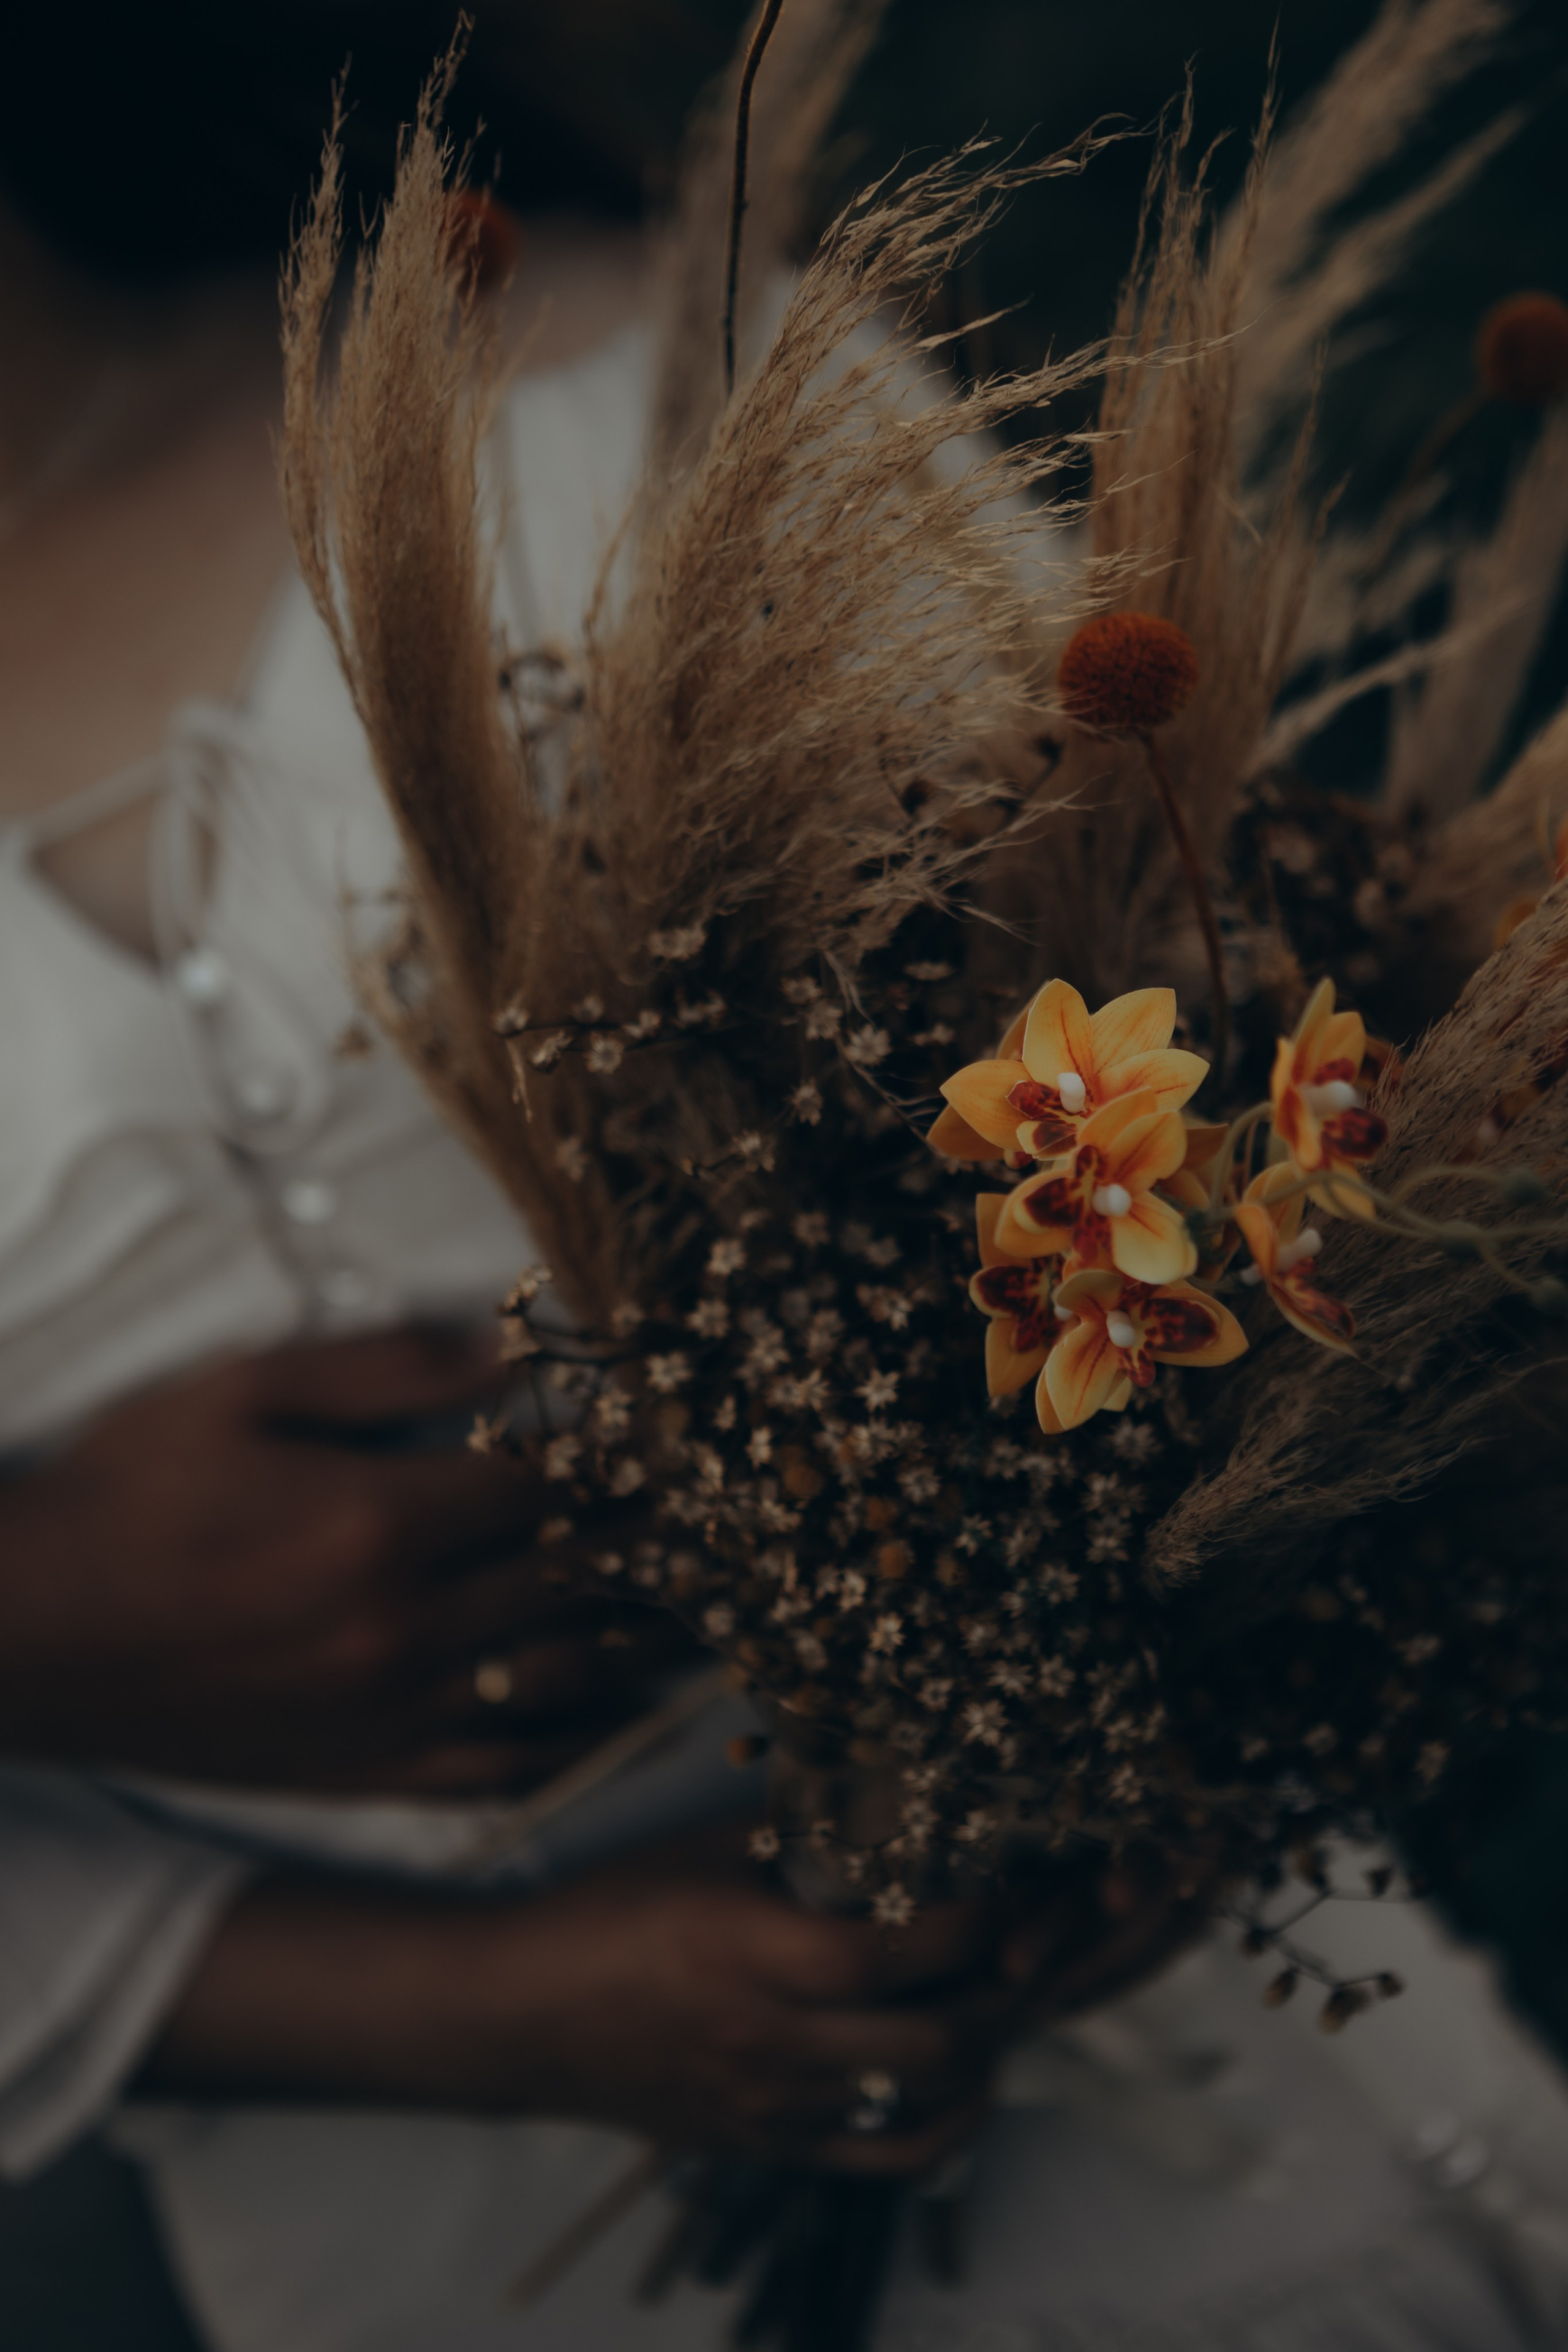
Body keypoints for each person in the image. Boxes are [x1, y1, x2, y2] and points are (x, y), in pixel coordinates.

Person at [5, 10, 1568, 2352]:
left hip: (1198, 2128)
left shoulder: (647, 395)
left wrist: (1193, 1675)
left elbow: (1210, 1088)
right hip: (406, 2256)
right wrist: (464, 1998)